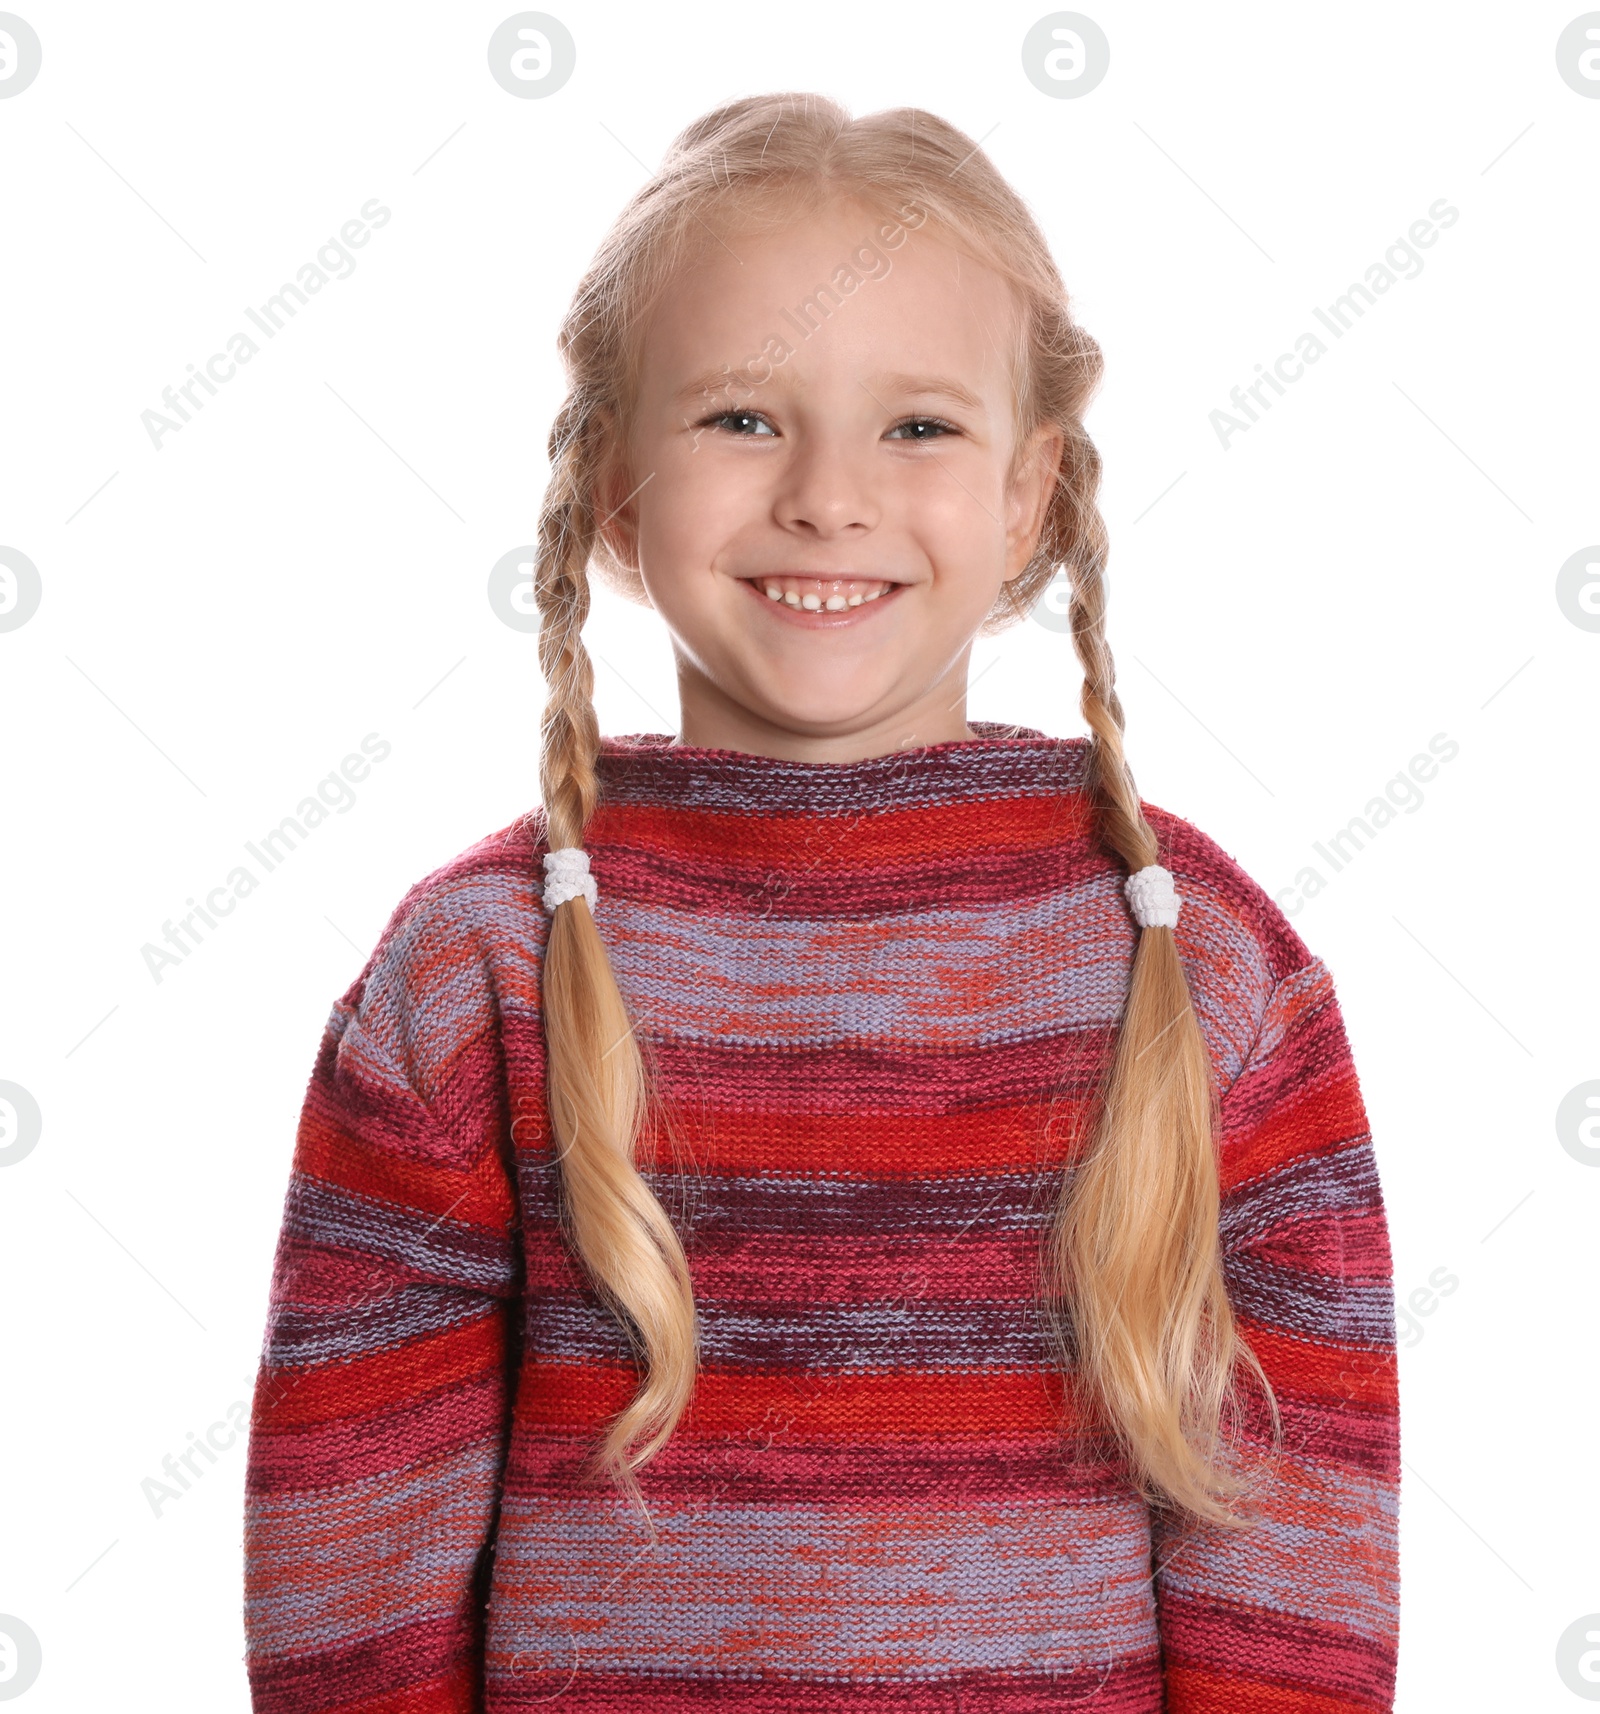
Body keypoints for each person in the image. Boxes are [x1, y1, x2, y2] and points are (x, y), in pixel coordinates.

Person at [242, 92, 1400, 1712]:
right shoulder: (477, 969)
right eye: (740, 419)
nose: (828, 497)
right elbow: (348, 1535)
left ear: (1029, 495)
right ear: (616, 493)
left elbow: (1300, 1548)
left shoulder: (1199, 961)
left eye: (918, 427)